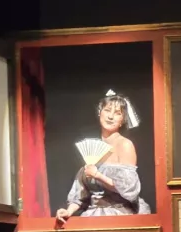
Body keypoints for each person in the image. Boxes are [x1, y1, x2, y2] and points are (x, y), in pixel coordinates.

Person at [56, 90, 151, 222]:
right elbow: (80, 195)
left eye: (117, 113)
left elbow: (129, 189)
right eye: (107, 110)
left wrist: (98, 175)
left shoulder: (125, 145)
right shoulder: (92, 150)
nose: (110, 117)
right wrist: (68, 211)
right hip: (93, 215)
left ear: (122, 120)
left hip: (120, 214)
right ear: (100, 112)